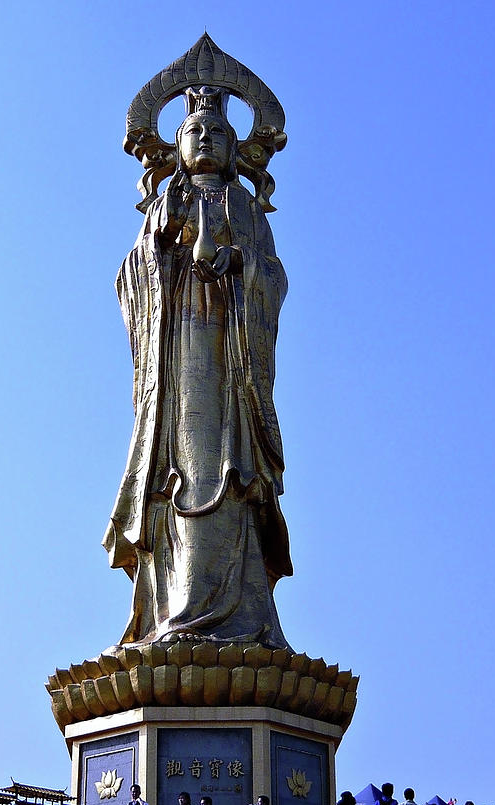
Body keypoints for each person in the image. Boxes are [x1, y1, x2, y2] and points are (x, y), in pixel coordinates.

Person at [102, 84, 293, 649]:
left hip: (230, 358)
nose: (205, 139)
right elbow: (129, 279)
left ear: (236, 150)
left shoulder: (244, 208)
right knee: (172, 468)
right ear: (176, 146)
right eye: (194, 132)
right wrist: (158, 247)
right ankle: (168, 610)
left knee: (229, 471)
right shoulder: (167, 204)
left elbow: (275, 280)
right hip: (177, 358)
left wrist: (238, 263)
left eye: (217, 133)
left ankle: (238, 613)